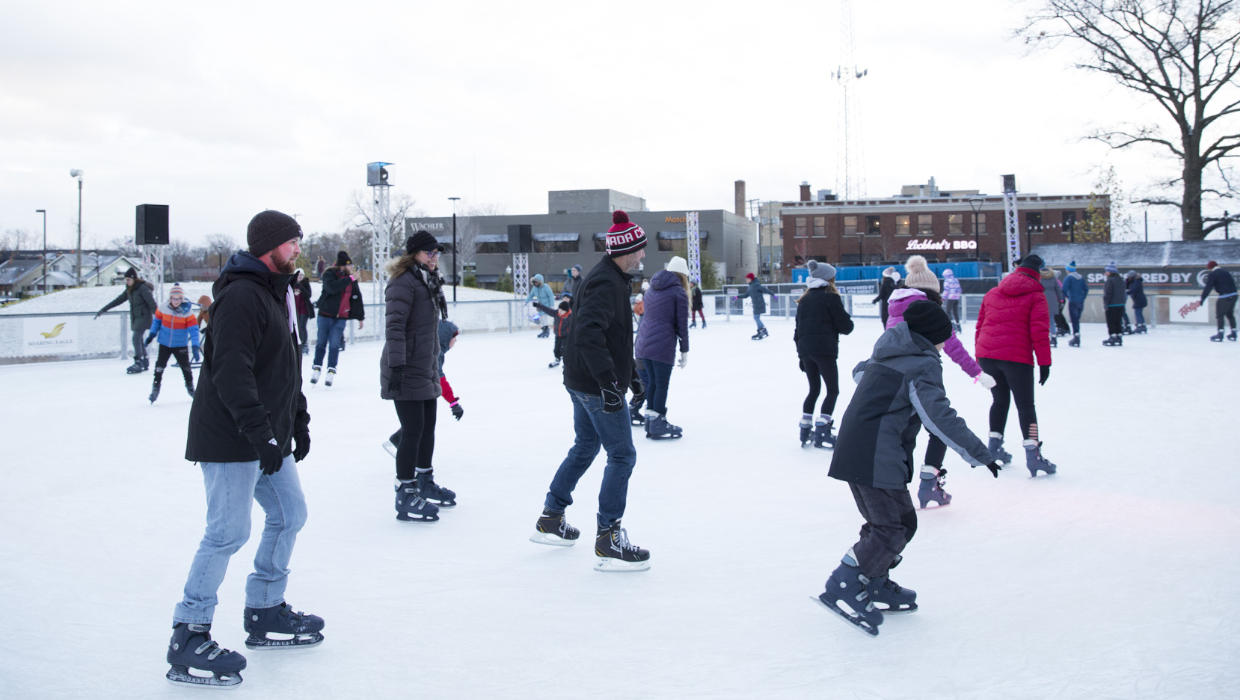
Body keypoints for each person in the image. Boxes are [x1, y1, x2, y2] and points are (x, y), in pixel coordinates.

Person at [168, 210, 318, 688]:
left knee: (290, 514)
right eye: (292, 242)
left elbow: (285, 365)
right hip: (232, 437)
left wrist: (297, 418)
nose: (298, 249)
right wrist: (263, 435)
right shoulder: (241, 296)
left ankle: (265, 609)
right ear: (269, 246)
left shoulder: (279, 293)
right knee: (226, 533)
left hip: (267, 437)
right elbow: (231, 373)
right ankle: (189, 634)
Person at [817, 301, 1000, 636]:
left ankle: (873, 580)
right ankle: (844, 583)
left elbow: (860, 373)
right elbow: (938, 416)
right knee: (889, 528)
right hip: (874, 455)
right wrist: (980, 453)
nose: (947, 344)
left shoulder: (887, 353)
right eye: (945, 338)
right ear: (931, 337)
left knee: (901, 522)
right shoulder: (920, 365)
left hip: (862, 450)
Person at [529, 209, 651, 572]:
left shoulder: (610, 278)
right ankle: (609, 538)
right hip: (594, 386)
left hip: (583, 381)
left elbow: (613, 334)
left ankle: (552, 516)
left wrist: (630, 376)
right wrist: (610, 385)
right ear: (624, 251)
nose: (643, 256)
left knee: (586, 446)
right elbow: (588, 335)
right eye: (639, 250)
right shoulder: (605, 282)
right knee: (622, 455)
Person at [886, 262, 995, 508]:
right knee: (939, 426)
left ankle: (895, 491)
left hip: (892, 384)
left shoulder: (895, 309)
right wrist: (977, 373)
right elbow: (953, 346)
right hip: (923, 378)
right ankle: (929, 481)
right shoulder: (928, 312)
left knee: (904, 435)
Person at [382, 231, 455, 522]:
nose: (434, 258)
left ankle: (424, 480)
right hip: (406, 367)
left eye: (436, 253)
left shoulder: (427, 281)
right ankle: (405, 491)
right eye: (429, 253)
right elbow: (395, 327)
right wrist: (397, 368)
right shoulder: (403, 282)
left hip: (425, 366)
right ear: (414, 254)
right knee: (412, 431)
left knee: (428, 428)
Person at [975, 254, 1057, 477]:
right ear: (1037, 273)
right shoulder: (1036, 296)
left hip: (988, 355)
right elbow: (1039, 333)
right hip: (1016, 359)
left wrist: (978, 357)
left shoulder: (993, 292)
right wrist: (1044, 363)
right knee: (1026, 406)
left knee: (999, 401)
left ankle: (994, 448)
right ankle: (1033, 455)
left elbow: (980, 326)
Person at [794, 260, 854, 450]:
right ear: (829, 279)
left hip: (806, 350)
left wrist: (801, 356)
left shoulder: (804, 299)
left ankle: (805, 428)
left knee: (814, 390)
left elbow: (798, 330)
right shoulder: (831, 298)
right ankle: (822, 429)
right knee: (832, 390)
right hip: (824, 350)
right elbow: (846, 327)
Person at [634, 255, 691, 440]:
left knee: (652, 384)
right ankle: (658, 422)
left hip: (644, 343)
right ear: (683, 275)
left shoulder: (651, 289)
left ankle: (651, 421)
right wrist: (684, 350)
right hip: (662, 346)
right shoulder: (678, 293)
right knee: (661, 385)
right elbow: (681, 325)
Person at [311, 251, 364, 386]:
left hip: (341, 317)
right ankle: (317, 368)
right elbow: (332, 288)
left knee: (335, 344)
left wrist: (360, 317)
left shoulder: (350, 279)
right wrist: (350, 279)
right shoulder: (330, 275)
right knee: (321, 343)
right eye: (349, 265)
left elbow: (357, 297)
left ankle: (331, 371)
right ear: (342, 266)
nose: (352, 268)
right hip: (325, 315)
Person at [144, 283, 201, 403]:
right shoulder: (163, 308)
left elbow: (194, 330)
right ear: (170, 298)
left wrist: (195, 345)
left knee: (186, 368)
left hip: (180, 345)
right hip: (164, 343)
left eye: (179, 298)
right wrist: (152, 335)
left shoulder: (187, 312)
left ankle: (191, 388)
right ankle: (155, 388)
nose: (176, 301)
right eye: (174, 298)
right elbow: (157, 322)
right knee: (159, 367)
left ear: (182, 298)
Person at [95, 266, 157, 374]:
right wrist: (103, 309)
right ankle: (145, 360)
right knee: (139, 339)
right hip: (136, 317)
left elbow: (152, 304)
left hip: (144, 317)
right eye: (126, 280)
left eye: (128, 279)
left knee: (136, 337)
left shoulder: (142, 288)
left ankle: (139, 361)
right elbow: (118, 300)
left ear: (134, 279)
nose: (127, 281)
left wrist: (160, 318)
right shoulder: (129, 290)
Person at [1187, 260, 1238, 341]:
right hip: (1234, 295)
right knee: (1229, 314)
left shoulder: (1213, 274)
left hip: (1225, 296)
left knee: (1220, 315)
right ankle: (1234, 333)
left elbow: (1208, 287)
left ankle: (1220, 334)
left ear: (1210, 268)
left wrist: (1202, 299)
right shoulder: (1225, 272)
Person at [534, 294, 573, 368]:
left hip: (566, 336)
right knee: (556, 349)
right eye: (559, 309)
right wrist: (538, 305)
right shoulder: (556, 313)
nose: (560, 311)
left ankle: (567, 363)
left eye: (562, 310)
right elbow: (548, 310)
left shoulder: (570, 317)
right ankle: (557, 360)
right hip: (558, 335)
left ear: (566, 311)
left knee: (565, 350)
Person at [1061, 260, 1088, 347]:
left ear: (1068, 270)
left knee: (1074, 319)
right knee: (1077, 319)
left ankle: (1076, 336)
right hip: (1080, 301)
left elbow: (1064, 290)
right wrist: (1082, 297)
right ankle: (1077, 334)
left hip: (1073, 301)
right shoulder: (1081, 278)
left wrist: (1066, 298)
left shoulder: (1068, 278)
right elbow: (1086, 289)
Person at [1101, 262, 1127, 347]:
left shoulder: (1110, 281)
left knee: (1111, 322)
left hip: (1112, 305)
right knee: (1118, 321)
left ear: (1110, 272)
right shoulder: (1121, 280)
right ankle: (1119, 337)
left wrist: (1106, 304)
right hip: (1120, 304)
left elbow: (1108, 293)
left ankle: (1112, 336)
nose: (1105, 273)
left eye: (1106, 271)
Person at [1040, 267, 1066, 348]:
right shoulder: (1053, 278)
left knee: (1041, 321)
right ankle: (1053, 337)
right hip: (1052, 301)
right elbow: (1058, 290)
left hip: (1041, 301)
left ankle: (1042, 338)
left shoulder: (1039, 279)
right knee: (1051, 320)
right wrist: (1061, 300)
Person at [745, 272, 775, 340]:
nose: (746, 280)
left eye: (747, 279)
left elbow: (765, 290)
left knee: (756, 318)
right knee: (756, 318)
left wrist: (773, 294)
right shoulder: (750, 287)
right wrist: (737, 297)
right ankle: (761, 331)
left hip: (759, 304)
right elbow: (746, 295)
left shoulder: (756, 285)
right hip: (756, 305)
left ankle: (762, 330)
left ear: (751, 279)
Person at [292, 269, 314, 355]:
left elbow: (308, 295)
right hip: (295, 310)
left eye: (301, 275)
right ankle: (296, 344)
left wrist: (300, 287)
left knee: (302, 326)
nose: (299, 277)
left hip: (304, 310)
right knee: (295, 327)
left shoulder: (305, 284)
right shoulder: (292, 284)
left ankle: (304, 344)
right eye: (298, 275)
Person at [526, 273, 556, 338]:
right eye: (534, 282)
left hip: (547, 306)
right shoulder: (534, 288)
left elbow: (551, 296)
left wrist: (552, 305)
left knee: (543, 317)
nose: (535, 284)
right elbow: (531, 295)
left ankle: (546, 331)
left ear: (540, 281)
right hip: (540, 306)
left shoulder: (546, 287)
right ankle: (544, 330)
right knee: (538, 319)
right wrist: (526, 301)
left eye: (536, 282)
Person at [941, 268, 963, 333]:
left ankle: (953, 326)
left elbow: (946, 290)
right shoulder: (956, 280)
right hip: (956, 298)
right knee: (955, 312)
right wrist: (957, 295)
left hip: (950, 298)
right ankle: (958, 326)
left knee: (948, 311)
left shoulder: (947, 281)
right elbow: (959, 289)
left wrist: (943, 297)